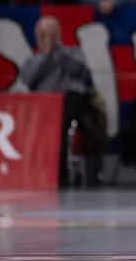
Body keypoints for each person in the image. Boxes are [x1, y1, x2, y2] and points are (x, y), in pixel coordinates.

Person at [20, 16, 100, 187]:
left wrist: (57, 52)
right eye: (43, 33)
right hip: (44, 104)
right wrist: (47, 55)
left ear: (58, 33)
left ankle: (63, 176)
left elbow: (80, 71)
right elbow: (29, 79)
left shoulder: (73, 52)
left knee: (64, 119)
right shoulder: (32, 60)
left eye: (51, 32)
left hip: (71, 100)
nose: (47, 36)